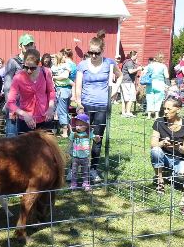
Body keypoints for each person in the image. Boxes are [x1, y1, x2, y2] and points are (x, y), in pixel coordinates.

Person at [74, 37, 122, 182]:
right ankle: (75, 168)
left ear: (102, 51)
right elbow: (78, 84)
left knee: (97, 138)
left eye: (97, 53)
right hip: (86, 106)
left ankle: (93, 169)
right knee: (80, 137)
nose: (93, 56)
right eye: (91, 53)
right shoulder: (83, 65)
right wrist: (78, 103)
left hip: (102, 106)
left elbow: (120, 76)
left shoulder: (109, 63)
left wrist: (114, 89)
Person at [150, 97, 184, 194]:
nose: (165, 111)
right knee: (155, 150)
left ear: (178, 109)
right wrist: (162, 143)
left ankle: (169, 174)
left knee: (181, 179)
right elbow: (153, 144)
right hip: (163, 156)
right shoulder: (159, 122)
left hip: (179, 158)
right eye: (164, 108)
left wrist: (178, 147)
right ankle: (160, 180)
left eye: (168, 109)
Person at [7, 49, 56, 134]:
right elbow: (10, 102)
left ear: (38, 64)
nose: (29, 71)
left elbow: (51, 91)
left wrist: (51, 108)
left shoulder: (46, 72)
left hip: (45, 119)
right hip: (25, 122)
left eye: (33, 68)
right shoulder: (18, 77)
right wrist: (24, 114)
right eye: (26, 67)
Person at [2, 33, 36, 136]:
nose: (29, 47)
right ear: (20, 46)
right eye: (26, 45)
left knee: (28, 139)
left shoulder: (34, 63)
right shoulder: (13, 62)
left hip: (30, 106)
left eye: (31, 44)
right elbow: (8, 86)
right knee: (12, 139)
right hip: (16, 104)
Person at [69, 113, 101, 191]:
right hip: (75, 157)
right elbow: (70, 142)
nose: (78, 127)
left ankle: (85, 183)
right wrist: (69, 150)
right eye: (77, 125)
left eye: (81, 125)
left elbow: (96, 140)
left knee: (85, 171)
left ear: (86, 125)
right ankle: (73, 183)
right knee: (74, 171)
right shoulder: (74, 134)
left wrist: (97, 138)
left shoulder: (88, 134)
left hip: (85, 157)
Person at [51, 52, 73, 137]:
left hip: (64, 89)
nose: (52, 60)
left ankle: (65, 132)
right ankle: (68, 130)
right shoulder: (53, 67)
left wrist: (54, 77)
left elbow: (65, 76)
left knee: (62, 111)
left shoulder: (65, 65)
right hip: (56, 89)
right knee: (58, 111)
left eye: (54, 58)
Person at [144, 52, 169, 120]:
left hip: (150, 83)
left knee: (149, 98)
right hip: (160, 84)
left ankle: (149, 115)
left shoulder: (150, 65)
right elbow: (167, 76)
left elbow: (144, 72)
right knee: (158, 99)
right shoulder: (163, 66)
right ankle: (156, 115)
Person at [121, 51, 143, 117]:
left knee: (125, 98)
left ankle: (124, 113)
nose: (137, 57)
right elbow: (130, 71)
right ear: (133, 55)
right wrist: (138, 69)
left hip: (125, 81)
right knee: (131, 97)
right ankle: (128, 112)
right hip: (128, 82)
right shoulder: (130, 62)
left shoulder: (127, 61)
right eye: (136, 55)